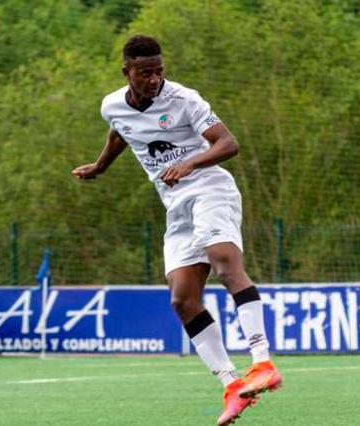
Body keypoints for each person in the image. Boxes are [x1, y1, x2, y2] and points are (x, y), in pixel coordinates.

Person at [72, 35, 281, 425]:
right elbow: (120, 132)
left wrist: (191, 164)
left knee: (223, 262)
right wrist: (101, 166)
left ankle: (262, 362)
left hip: (209, 188)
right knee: (182, 299)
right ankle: (232, 384)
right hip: (176, 206)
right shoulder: (112, 105)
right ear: (127, 72)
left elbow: (229, 143)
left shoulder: (184, 99)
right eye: (145, 72)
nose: (154, 79)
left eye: (159, 70)